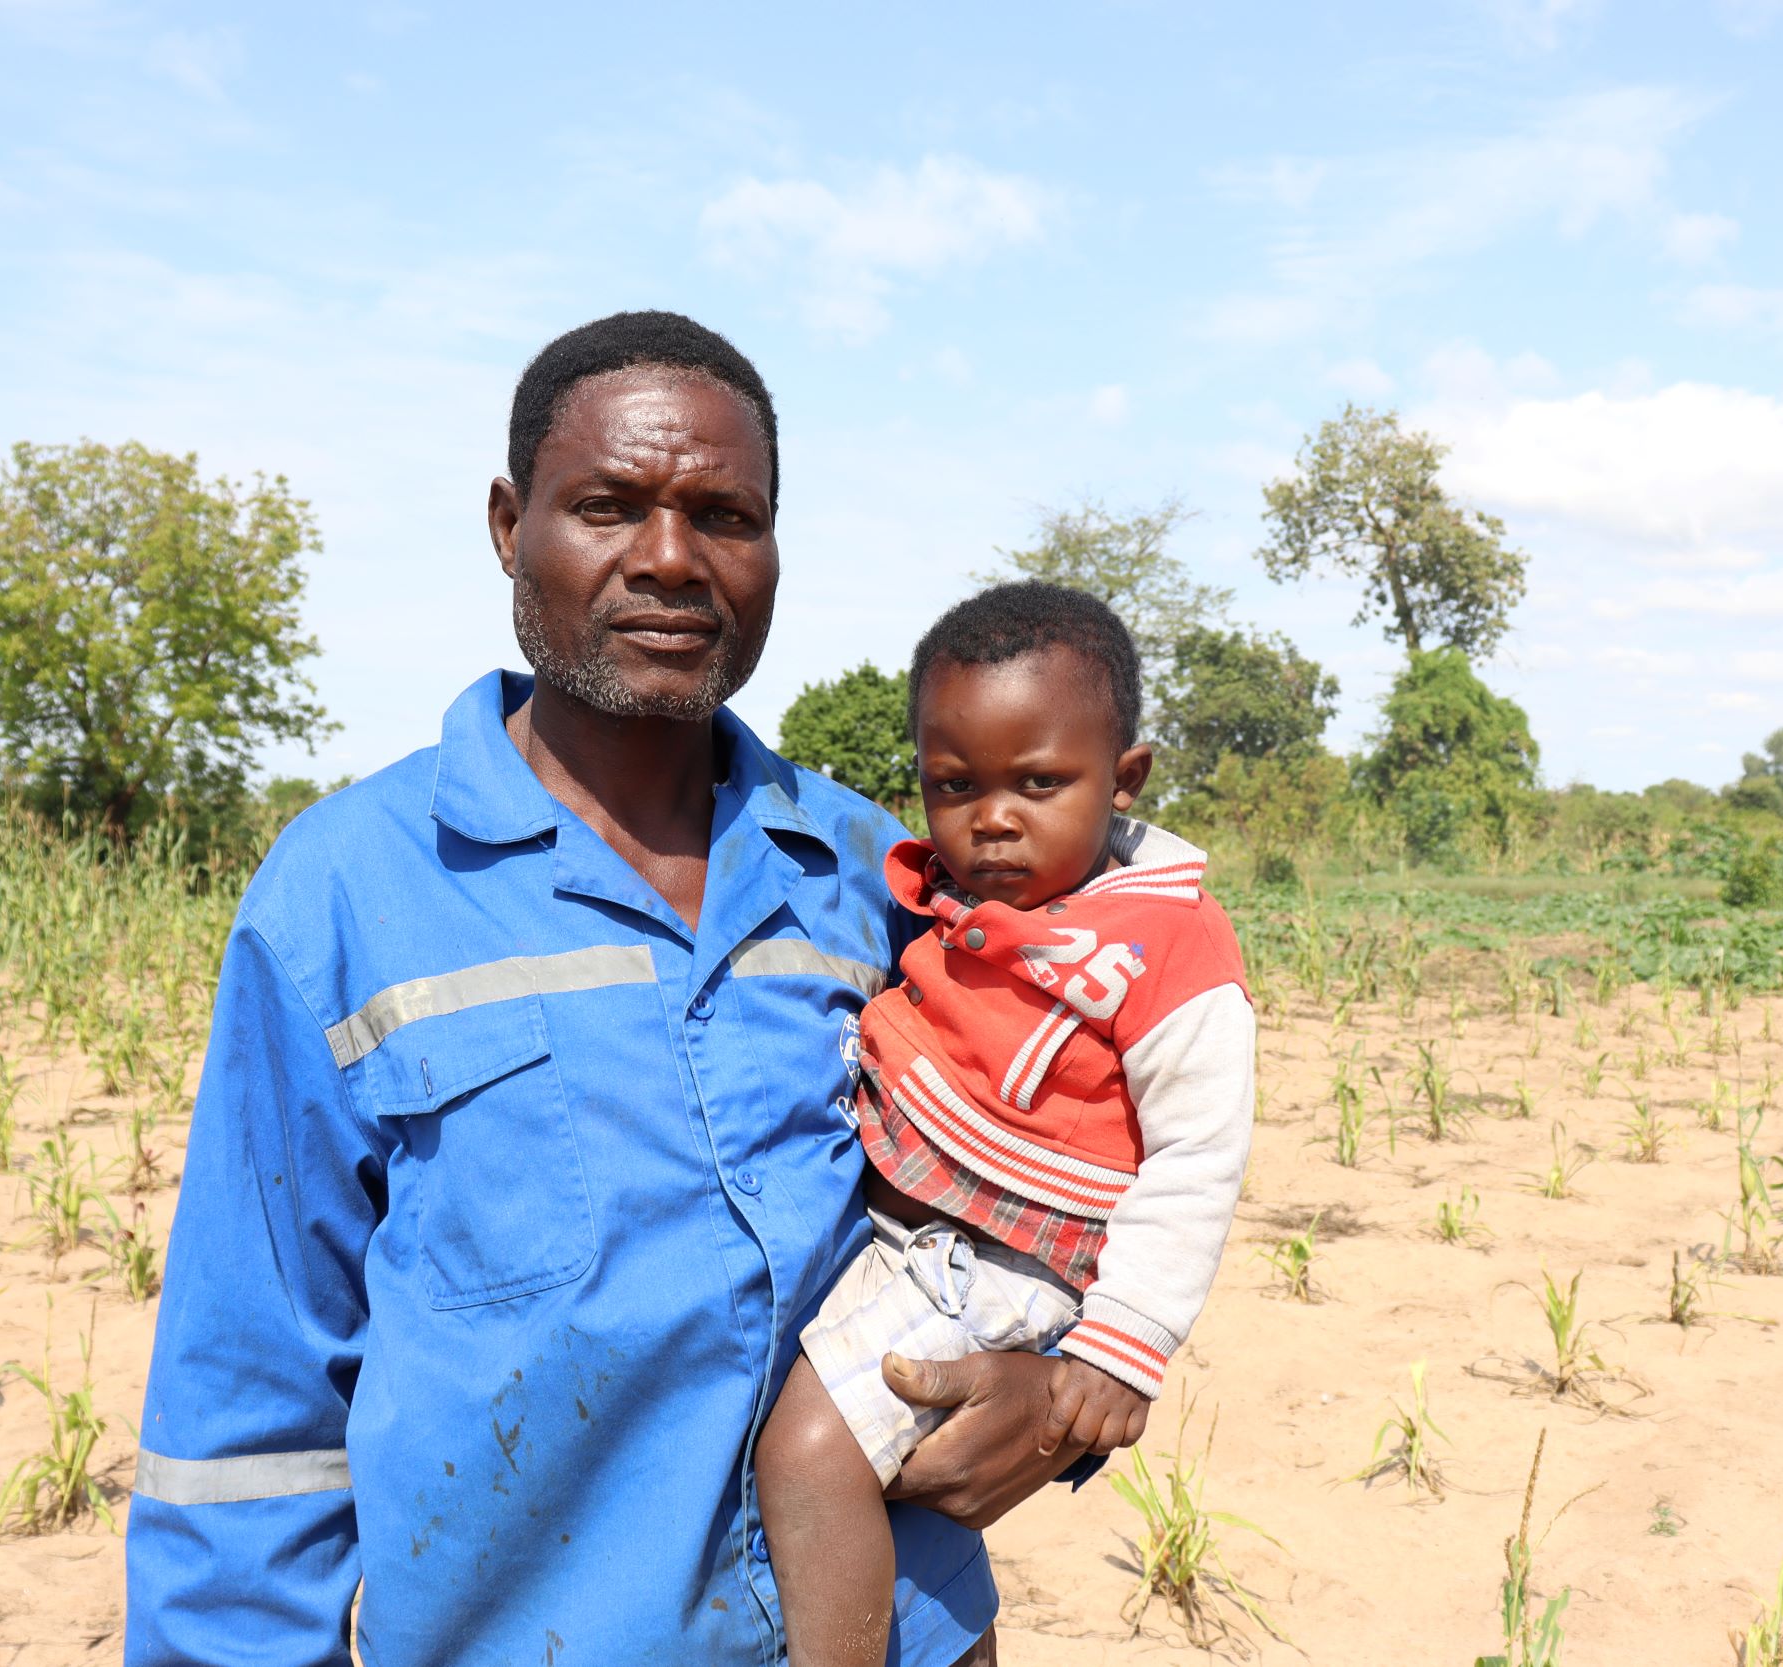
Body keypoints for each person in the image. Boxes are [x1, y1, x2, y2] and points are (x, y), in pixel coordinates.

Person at [125, 312, 1088, 1666]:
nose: (672, 559)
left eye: (725, 514)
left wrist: (1061, 1396)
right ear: (509, 523)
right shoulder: (345, 894)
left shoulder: (882, 873)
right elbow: (252, 1399)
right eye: (609, 506)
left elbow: (1090, 1134)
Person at [754, 583, 1258, 1666]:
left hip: (996, 1258)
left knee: (805, 1452)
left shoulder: (1162, 944)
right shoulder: (946, 900)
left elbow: (1197, 1156)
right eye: (954, 784)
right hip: (918, 1247)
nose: (992, 817)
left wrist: (1120, 1352)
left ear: (1124, 778)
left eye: (1040, 783)